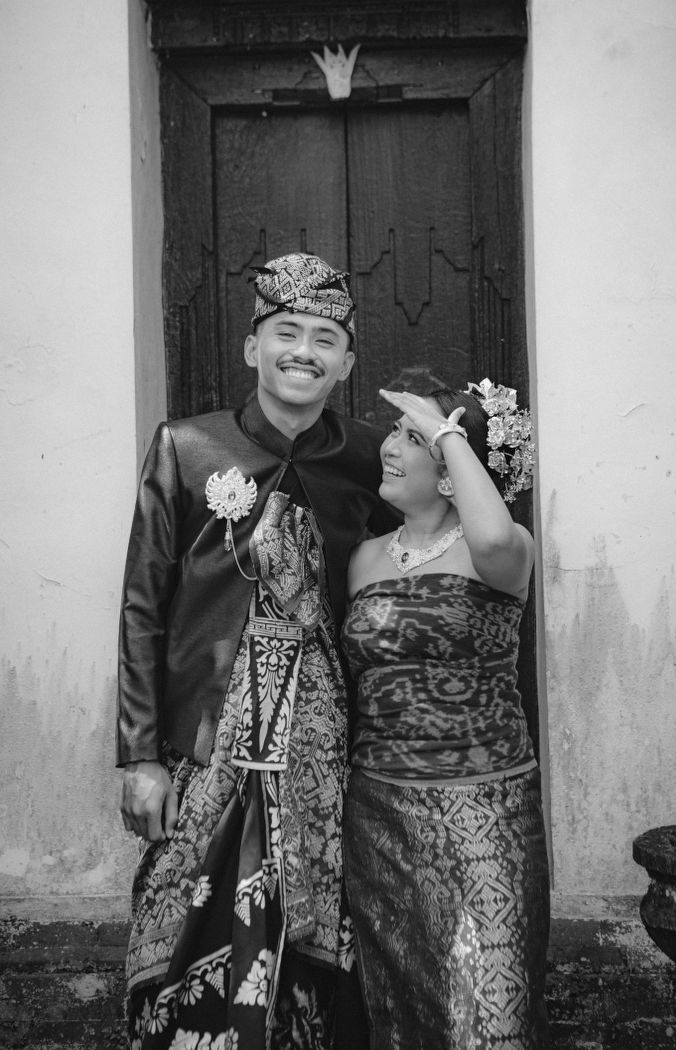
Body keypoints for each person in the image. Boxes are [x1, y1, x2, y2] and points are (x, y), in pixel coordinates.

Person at [117, 252, 395, 1050]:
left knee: (323, 930)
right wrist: (140, 755)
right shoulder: (186, 447)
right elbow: (143, 607)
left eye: (324, 338)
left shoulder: (372, 458)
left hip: (330, 753)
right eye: (285, 332)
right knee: (186, 912)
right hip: (206, 743)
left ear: (346, 363)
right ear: (252, 347)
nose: (303, 351)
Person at [341, 382, 550, 1049]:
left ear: (453, 470)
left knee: (489, 1018)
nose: (390, 447)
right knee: (400, 1010)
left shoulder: (502, 550)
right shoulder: (364, 558)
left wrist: (446, 431)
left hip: (484, 811)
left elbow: (490, 531)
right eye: (396, 431)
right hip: (378, 811)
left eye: (413, 438)